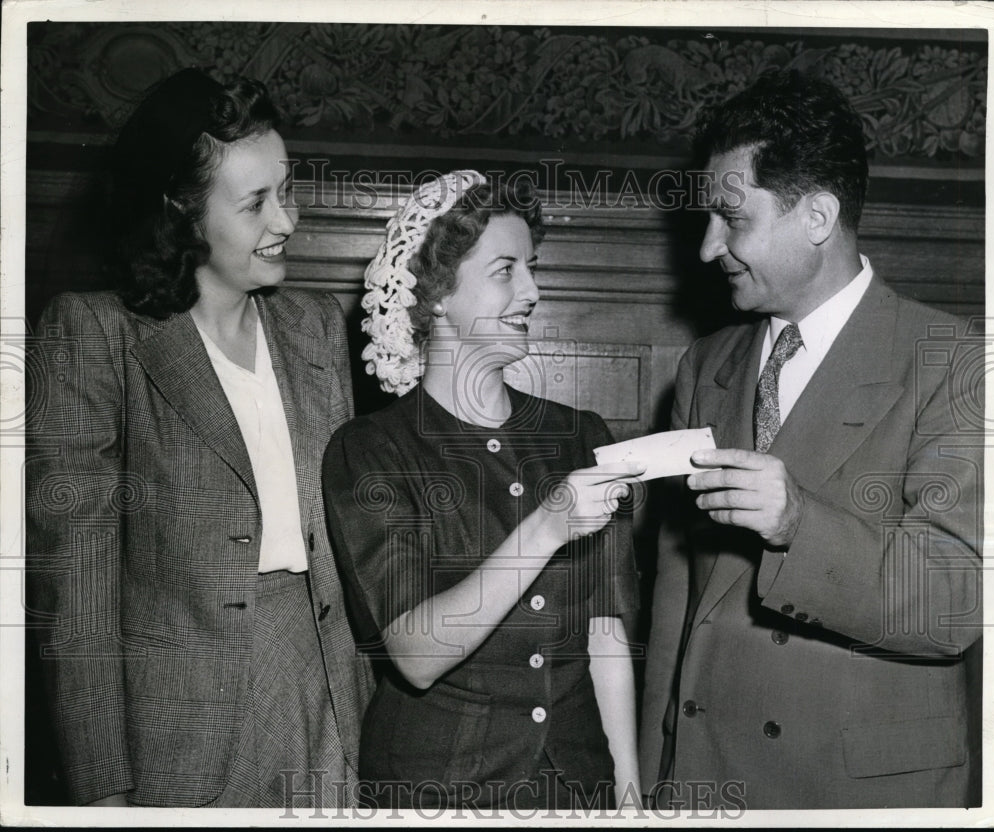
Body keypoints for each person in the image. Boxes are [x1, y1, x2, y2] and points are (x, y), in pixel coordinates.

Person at [26, 68, 372, 808]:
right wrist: (102, 791)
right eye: (255, 204)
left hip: (329, 702)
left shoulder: (315, 327)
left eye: (287, 189)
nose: (286, 221)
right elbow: (77, 593)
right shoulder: (95, 335)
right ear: (180, 213)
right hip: (183, 735)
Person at [639, 69, 983, 810]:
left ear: (818, 216)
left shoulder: (953, 360)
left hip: (854, 794)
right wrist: (651, 781)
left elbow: (954, 602)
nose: (707, 248)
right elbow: (678, 598)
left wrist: (799, 523)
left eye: (733, 221)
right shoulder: (706, 366)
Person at [322, 171, 643, 811]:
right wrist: (546, 526)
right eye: (505, 270)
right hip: (436, 791)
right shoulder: (372, 450)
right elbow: (416, 653)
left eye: (532, 267)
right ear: (438, 293)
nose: (531, 290)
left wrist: (628, 796)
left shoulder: (580, 436)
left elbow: (605, 633)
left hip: (576, 789)